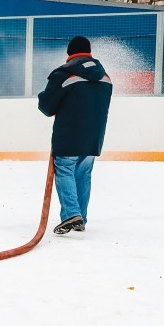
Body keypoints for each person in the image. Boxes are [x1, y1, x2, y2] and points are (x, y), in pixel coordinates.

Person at [37, 35, 113, 235]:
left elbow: (46, 106)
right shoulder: (105, 77)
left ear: (69, 54)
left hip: (69, 134)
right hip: (94, 137)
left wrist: (43, 97)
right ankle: (81, 217)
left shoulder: (64, 74)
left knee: (64, 168)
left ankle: (71, 214)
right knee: (83, 173)